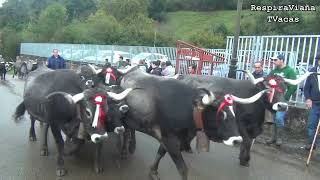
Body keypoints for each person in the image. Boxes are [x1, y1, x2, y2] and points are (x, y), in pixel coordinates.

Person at [266, 53, 297, 146]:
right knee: (273, 118)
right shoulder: (274, 71)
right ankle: (273, 137)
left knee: (279, 118)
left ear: (282, 60)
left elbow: (293, 86)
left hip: (282, 99)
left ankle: (279, 138)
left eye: (275, 60)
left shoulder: (290, 71)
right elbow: (268, 80)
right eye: (273, 60)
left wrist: (286, 96)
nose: (273, 62)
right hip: (273, 98)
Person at [303, 54, 320, 150]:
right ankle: (311, 143)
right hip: (314, 103)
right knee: (311, 125)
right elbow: (306, 87)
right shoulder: (312, 72)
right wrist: (308, 99)